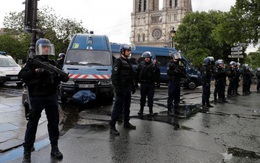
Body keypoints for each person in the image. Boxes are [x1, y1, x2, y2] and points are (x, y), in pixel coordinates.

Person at [18, 38, 69, 163]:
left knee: (53, 123)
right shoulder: (33, 62)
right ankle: (27, 152)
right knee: (32, 124)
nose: (46, 49)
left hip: (51, 96)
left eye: (47, 47)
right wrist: (35, 71)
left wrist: (62, 75)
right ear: (39, 48)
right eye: (44, 47)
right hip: (37, 97)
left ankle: (54, 148)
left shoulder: (53, 63)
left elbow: (64, 77)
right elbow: (22, 76)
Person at [110, 44, 136, 136]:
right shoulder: (118, 61)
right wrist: (117, 88)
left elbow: (130, 75)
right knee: (117, 107)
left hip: (127, 87)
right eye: (128, 51)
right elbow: (114, 76)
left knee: (127, 106)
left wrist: (132, 86)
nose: (129, 52)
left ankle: (126, 122)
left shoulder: (128, 61)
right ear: (122, 51)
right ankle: (112, 127)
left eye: (129, 51)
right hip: (121, 88)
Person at [136, 51, 160, 116]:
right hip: (143, 83)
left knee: (150, 98)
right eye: (145, 57)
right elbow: (137, 73)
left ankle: (150, 110)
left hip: (151, 84)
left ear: (150, 58)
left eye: (148, 57)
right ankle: (141, 110)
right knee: (142, 98)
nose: (147, 59)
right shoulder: (141, 64)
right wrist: (136, 82)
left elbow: (157, 74)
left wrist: (158, 83)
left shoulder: (153, 65)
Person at [167, 52, 186, 116]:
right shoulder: (170, 64)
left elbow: (183, 73)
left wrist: (182, 72)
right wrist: (175, 72)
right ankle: (169, 110)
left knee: (177, 97)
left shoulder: (179, 65)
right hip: (172, 82)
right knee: (171, 96)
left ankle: (176, 109)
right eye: (175, 57)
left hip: (177, 82)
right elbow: (169, 72)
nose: (177, 58)